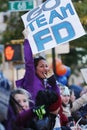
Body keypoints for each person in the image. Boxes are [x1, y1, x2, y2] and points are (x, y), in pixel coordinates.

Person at [16, 28, 60, 101]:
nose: (45, 68)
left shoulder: (47, 84)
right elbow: (29, 62)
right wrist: (27, 40)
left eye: (46, 66)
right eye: (41, 66)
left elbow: (57, 100)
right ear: (35, 69)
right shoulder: (31, 79)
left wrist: (54, 84)